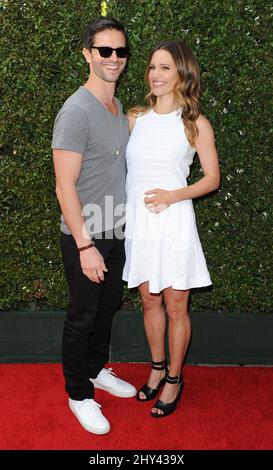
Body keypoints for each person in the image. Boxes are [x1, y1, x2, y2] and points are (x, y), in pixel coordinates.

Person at [122, 40, 220, 418]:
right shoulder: (135, 119)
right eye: (152, 67)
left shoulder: (194, 123)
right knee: (149, 299)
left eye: (165, 67)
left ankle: (175, 379)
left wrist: (174, 194)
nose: (156, 74)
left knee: (177, 305)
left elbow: (212, 178)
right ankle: (157, 368)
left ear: (183, 72)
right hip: (140, 225)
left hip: (175, 221)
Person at [52, 17, 136, 436]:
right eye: (105, 50)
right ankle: (78, 393)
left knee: (106, 309)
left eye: (121, 51)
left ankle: (96, 369)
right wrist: (85, 245)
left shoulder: (119, 109)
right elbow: (64, 185)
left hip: (117, 232)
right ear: (88, 54)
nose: (114, 58)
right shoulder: (76, 111)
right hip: (87, 236)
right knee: (83, 315)